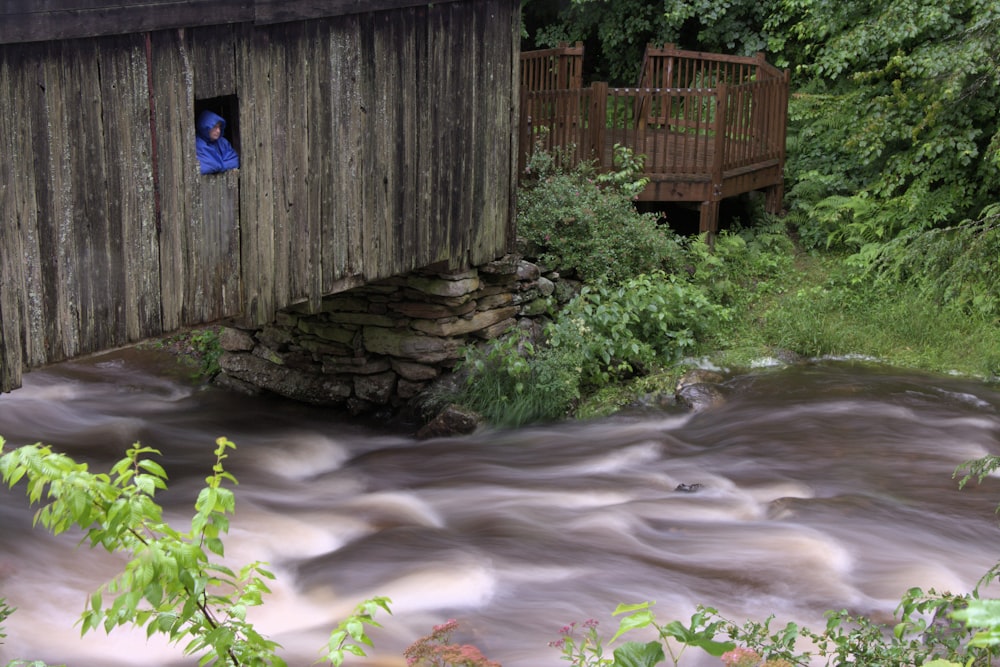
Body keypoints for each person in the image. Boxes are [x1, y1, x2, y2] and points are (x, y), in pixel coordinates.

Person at [195, 110, 240, 174]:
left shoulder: (222, 142)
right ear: (205, 127)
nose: (218, 131)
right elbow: (206, 167)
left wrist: (219, 166)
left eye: (219, 127)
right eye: (214, 127)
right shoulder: (197, 144)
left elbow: (234, 161)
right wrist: (224, 165)